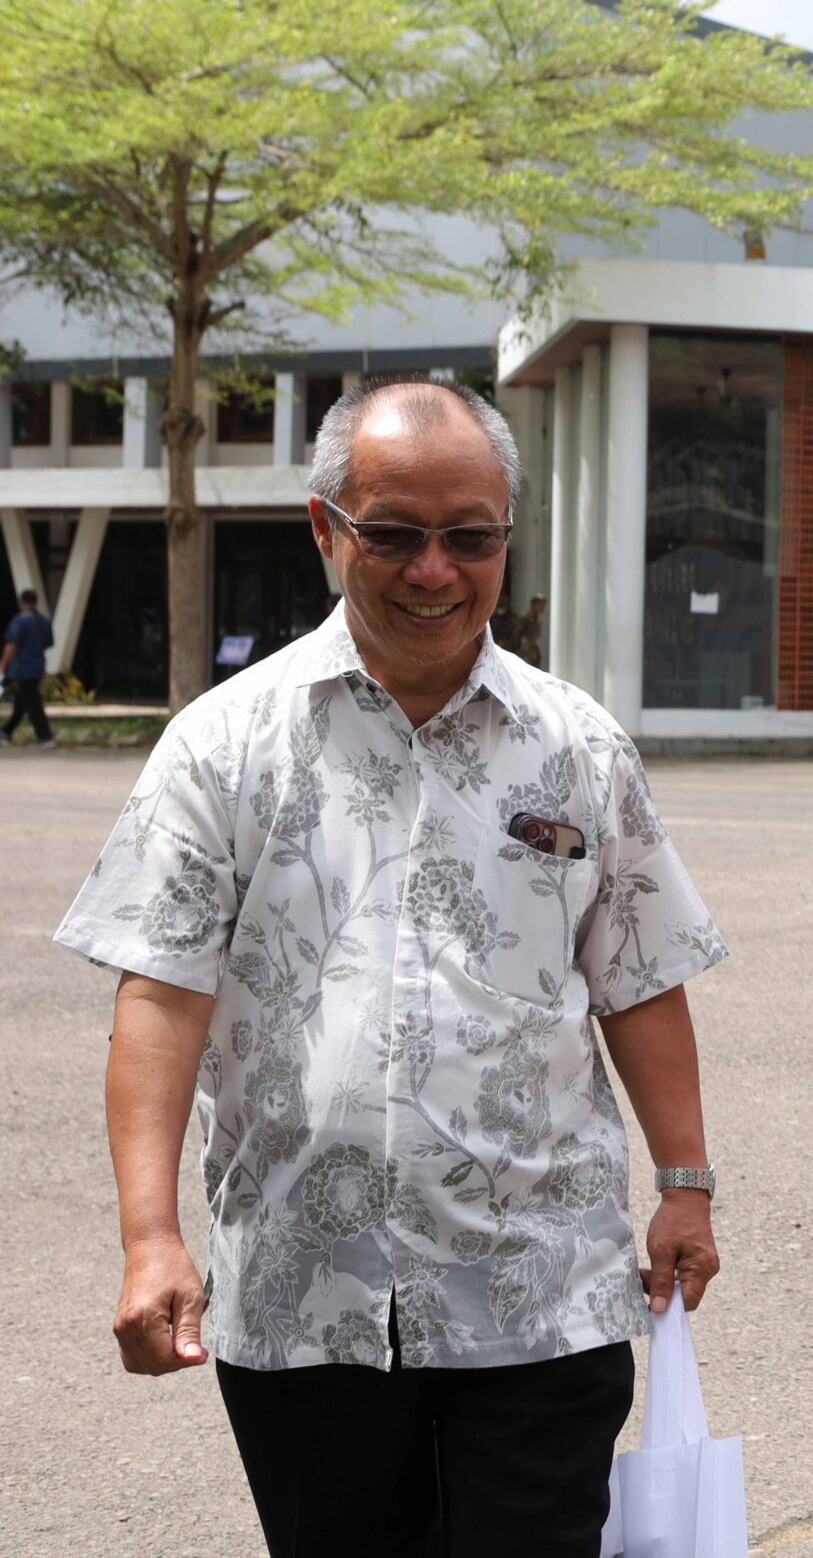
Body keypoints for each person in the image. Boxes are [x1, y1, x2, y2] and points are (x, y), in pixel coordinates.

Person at [59, 377, 730, 1558]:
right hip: (304, 1294)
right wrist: (150, 1235)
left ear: (504, 539)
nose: (435, 570)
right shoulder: (223, 744)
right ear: (327, 530)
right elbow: (160, 996)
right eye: (395, 535)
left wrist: (685, 1182)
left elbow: (638, 970)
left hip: (541, 1287)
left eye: (468, 537)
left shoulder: (578, 746)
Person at [2, 586, 55, 747]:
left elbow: (12, 644)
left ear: (21, 602)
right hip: (37, 665)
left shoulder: (20, 620)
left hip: (23, 667)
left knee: (32, 703)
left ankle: (45, 737)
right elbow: (49, 642)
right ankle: (6, 732)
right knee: (23, 700)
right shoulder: (44, 621)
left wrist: (3, 664)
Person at [513, 593, 548, 669]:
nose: (543, 608)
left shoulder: (537, 619)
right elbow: (517, 635)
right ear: (534, 605)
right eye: (540, 605)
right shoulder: (525, 618)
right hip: (525, 654)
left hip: (534, 653)